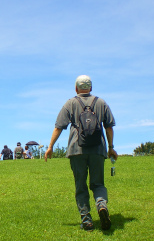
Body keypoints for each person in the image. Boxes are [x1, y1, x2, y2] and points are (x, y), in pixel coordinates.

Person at [45, 75, 118, 231]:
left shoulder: (70, 103)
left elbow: (59, 127)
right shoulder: (101, 102)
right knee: (98, 183)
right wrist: (111, 147)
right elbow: (109, 127)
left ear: (76, 88)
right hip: (98, 149)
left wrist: (50, 146)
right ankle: (101, 206)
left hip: (76, 150)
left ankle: (87, 221)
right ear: (90, 88)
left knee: (80, 185)